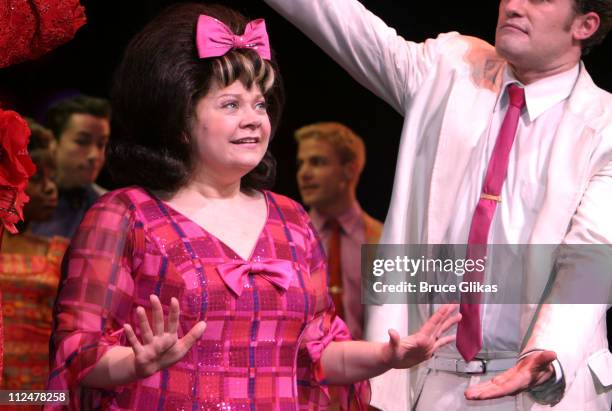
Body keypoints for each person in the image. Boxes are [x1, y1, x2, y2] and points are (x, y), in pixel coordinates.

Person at [45, 4, 461, 410]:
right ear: (179, 120)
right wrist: (132, 364)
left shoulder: (292, 220)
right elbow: (77, 352)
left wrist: (389, 357)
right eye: (230, 104)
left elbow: (318, 353)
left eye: (260, 103)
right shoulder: (126, 214)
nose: (254, 120)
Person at [262, 0, 612, 410]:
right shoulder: (450, 67)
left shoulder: (605, 125)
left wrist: (545, 354)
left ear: (584, 25)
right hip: (432, 380)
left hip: (539, 387)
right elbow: (348, 26)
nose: (513, 6)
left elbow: (591, 258)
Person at [0, 119, 69, 405]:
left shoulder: (61, 251)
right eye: (38, 179)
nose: (51, 189)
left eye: (53, 178)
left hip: (38, 389)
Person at [296, 122, 382, 339]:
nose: (304, 173)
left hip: (372, 367)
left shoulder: (383, 239)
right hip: (304, 369)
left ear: (349, 169)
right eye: (301, 163)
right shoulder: (289, 240)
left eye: (317, 162)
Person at [30, 95, 111, 239]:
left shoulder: (109, 207)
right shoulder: (17, 198)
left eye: (102, 144)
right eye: (82, 142)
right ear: (52, 141)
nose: (94, 155)